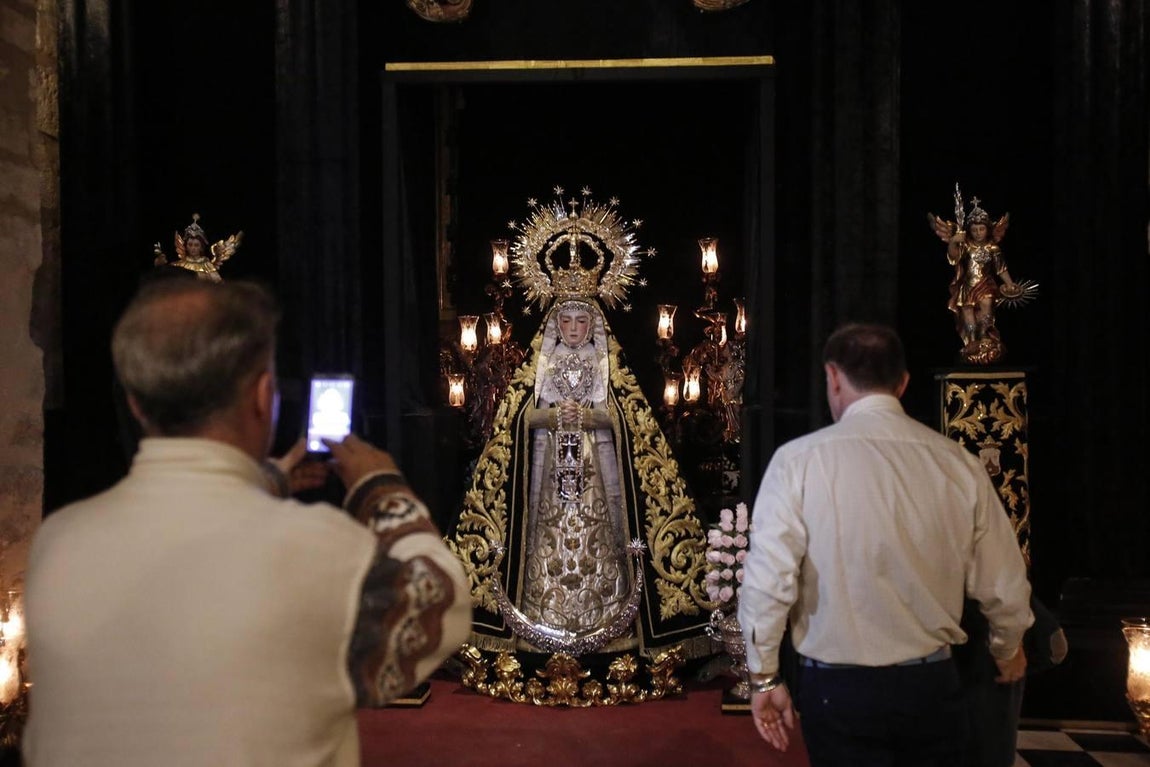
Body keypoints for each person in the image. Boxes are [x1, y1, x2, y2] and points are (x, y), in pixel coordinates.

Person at [23, 279, 471, 766]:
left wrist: (268, 480)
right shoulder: (317, 551)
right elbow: (443, 603)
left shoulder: (58, 542)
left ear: (135, 402)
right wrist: (379, 487)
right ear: (264, 396)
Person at [737, 322, 1033, 765]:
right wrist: (1007, 649)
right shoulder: (958, 464)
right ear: (903, 382)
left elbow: (768, 583)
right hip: (931, 685)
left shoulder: (797, 462)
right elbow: (1004, 583)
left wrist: (763, 676)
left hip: (838, 691)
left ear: (832, 377)